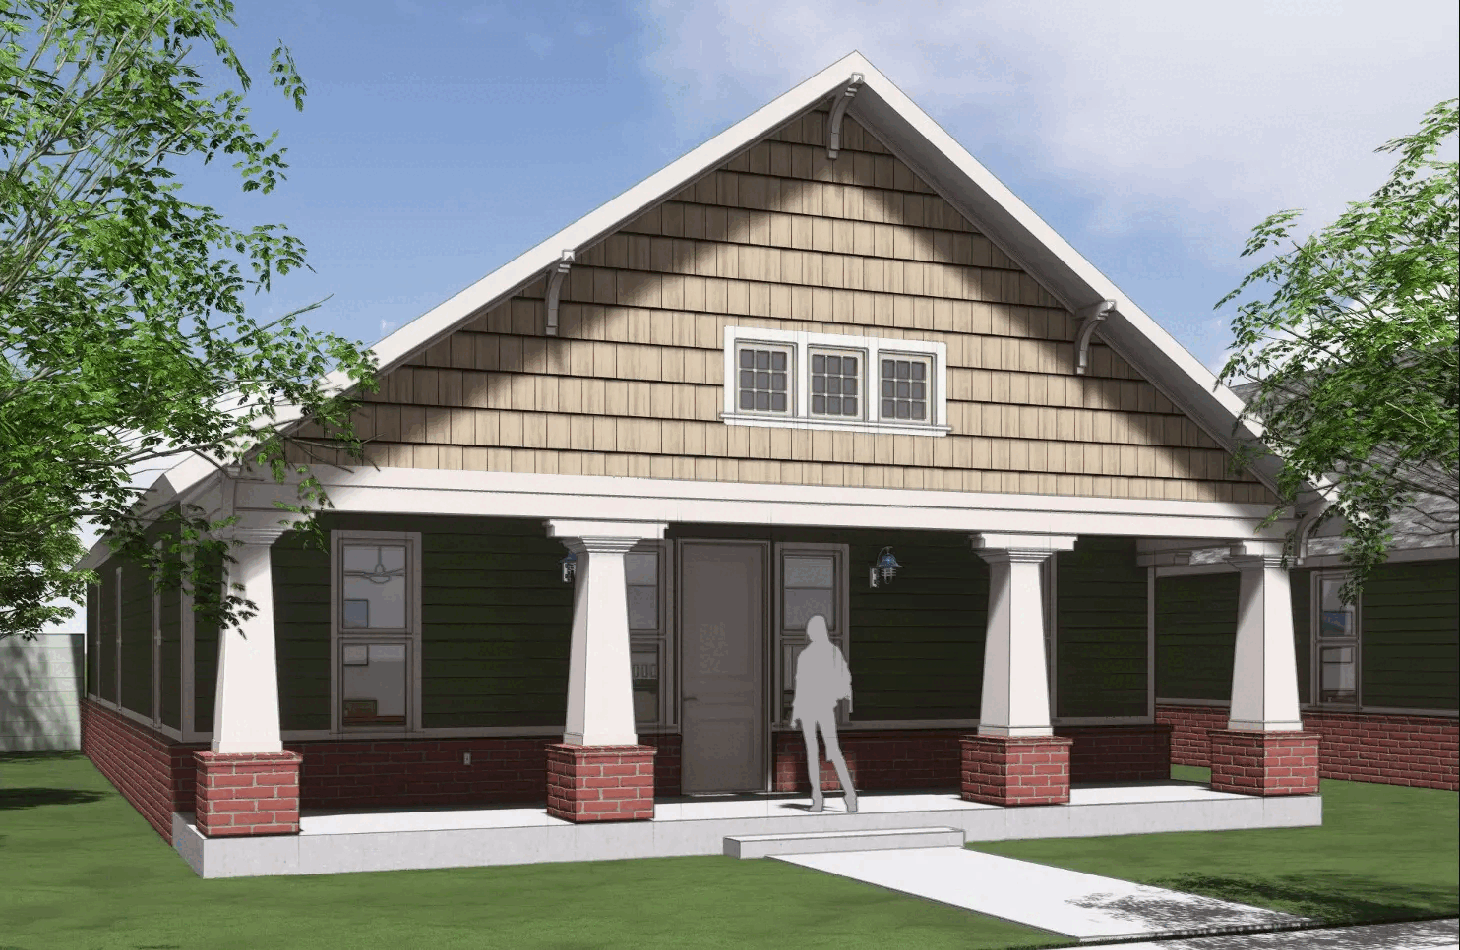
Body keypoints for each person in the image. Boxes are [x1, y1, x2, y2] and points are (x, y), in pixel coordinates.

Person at [791, 614, 857, 813]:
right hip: (817, 708)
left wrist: (796, 712)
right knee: (827, 751)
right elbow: (801, 685)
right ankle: (840, 796)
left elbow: (843, 679)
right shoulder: (829, 653)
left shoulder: (816, 654)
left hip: (817, 708)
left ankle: (827, 797)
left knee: (823, 752)